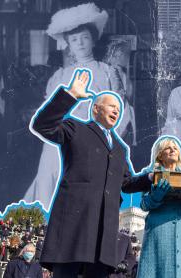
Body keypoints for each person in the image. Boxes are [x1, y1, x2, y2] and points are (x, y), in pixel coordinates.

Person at [31, 70, 150, 277]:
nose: (117, 111)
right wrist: (70, 96)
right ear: (96, 109)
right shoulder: (75, 128)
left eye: (119, 108)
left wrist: (149, 178)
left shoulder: (121, 148)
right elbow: (43, 125)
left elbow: (127, 182)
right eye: (112, 106)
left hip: (103, 237)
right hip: (74, 231)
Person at [24, 3, 126, 209]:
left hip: (93, 142)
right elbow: (49, 115)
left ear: (93, 40)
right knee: (51, 190)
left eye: (85, 37)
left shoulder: (107, 72)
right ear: (68, 44)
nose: (80, 43)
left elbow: (119, 111)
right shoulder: (60, 76)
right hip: (60, 143)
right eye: (74, 39)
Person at [136, 137, 181, 278]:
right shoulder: (151, 176)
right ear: (160, 154)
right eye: (168, 147)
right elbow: (143, 204)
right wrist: (156, 197)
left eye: (175, 147)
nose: (173, 149)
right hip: (160, 231)